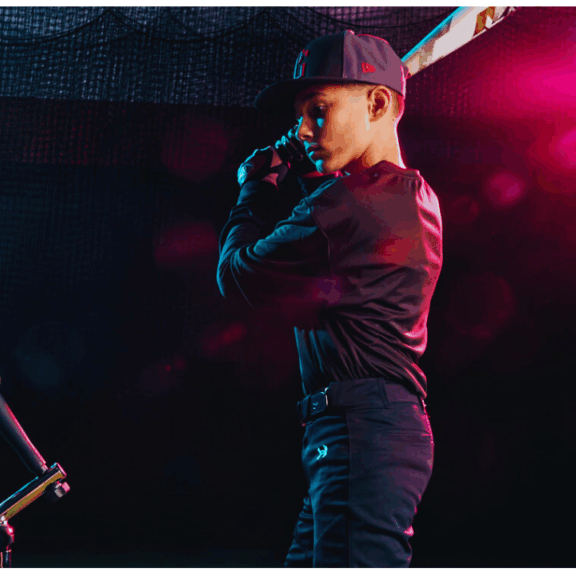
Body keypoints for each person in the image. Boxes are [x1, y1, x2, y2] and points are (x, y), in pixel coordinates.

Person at [216, 30, 443, 567]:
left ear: (378, 102)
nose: (302, 131)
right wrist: (299, 166)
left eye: (318, 110)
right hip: (368, 431)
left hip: (359, 431)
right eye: (300, 119)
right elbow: (323, 235)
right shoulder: (407, 195)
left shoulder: (351, 206)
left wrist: (256, 186)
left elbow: (237, 274)